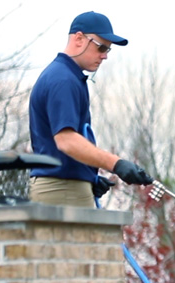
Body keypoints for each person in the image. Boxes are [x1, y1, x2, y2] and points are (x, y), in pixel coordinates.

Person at [29, 11, 154, 208]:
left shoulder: (66, 75)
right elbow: (66, 141)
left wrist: (89, 176)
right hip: (62, 190)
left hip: (64, 186)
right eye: (101, 47)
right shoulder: (63, 80)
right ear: (79, 38)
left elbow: (58, 148)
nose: (104, 56)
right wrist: (117, 164)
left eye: (108, 50)